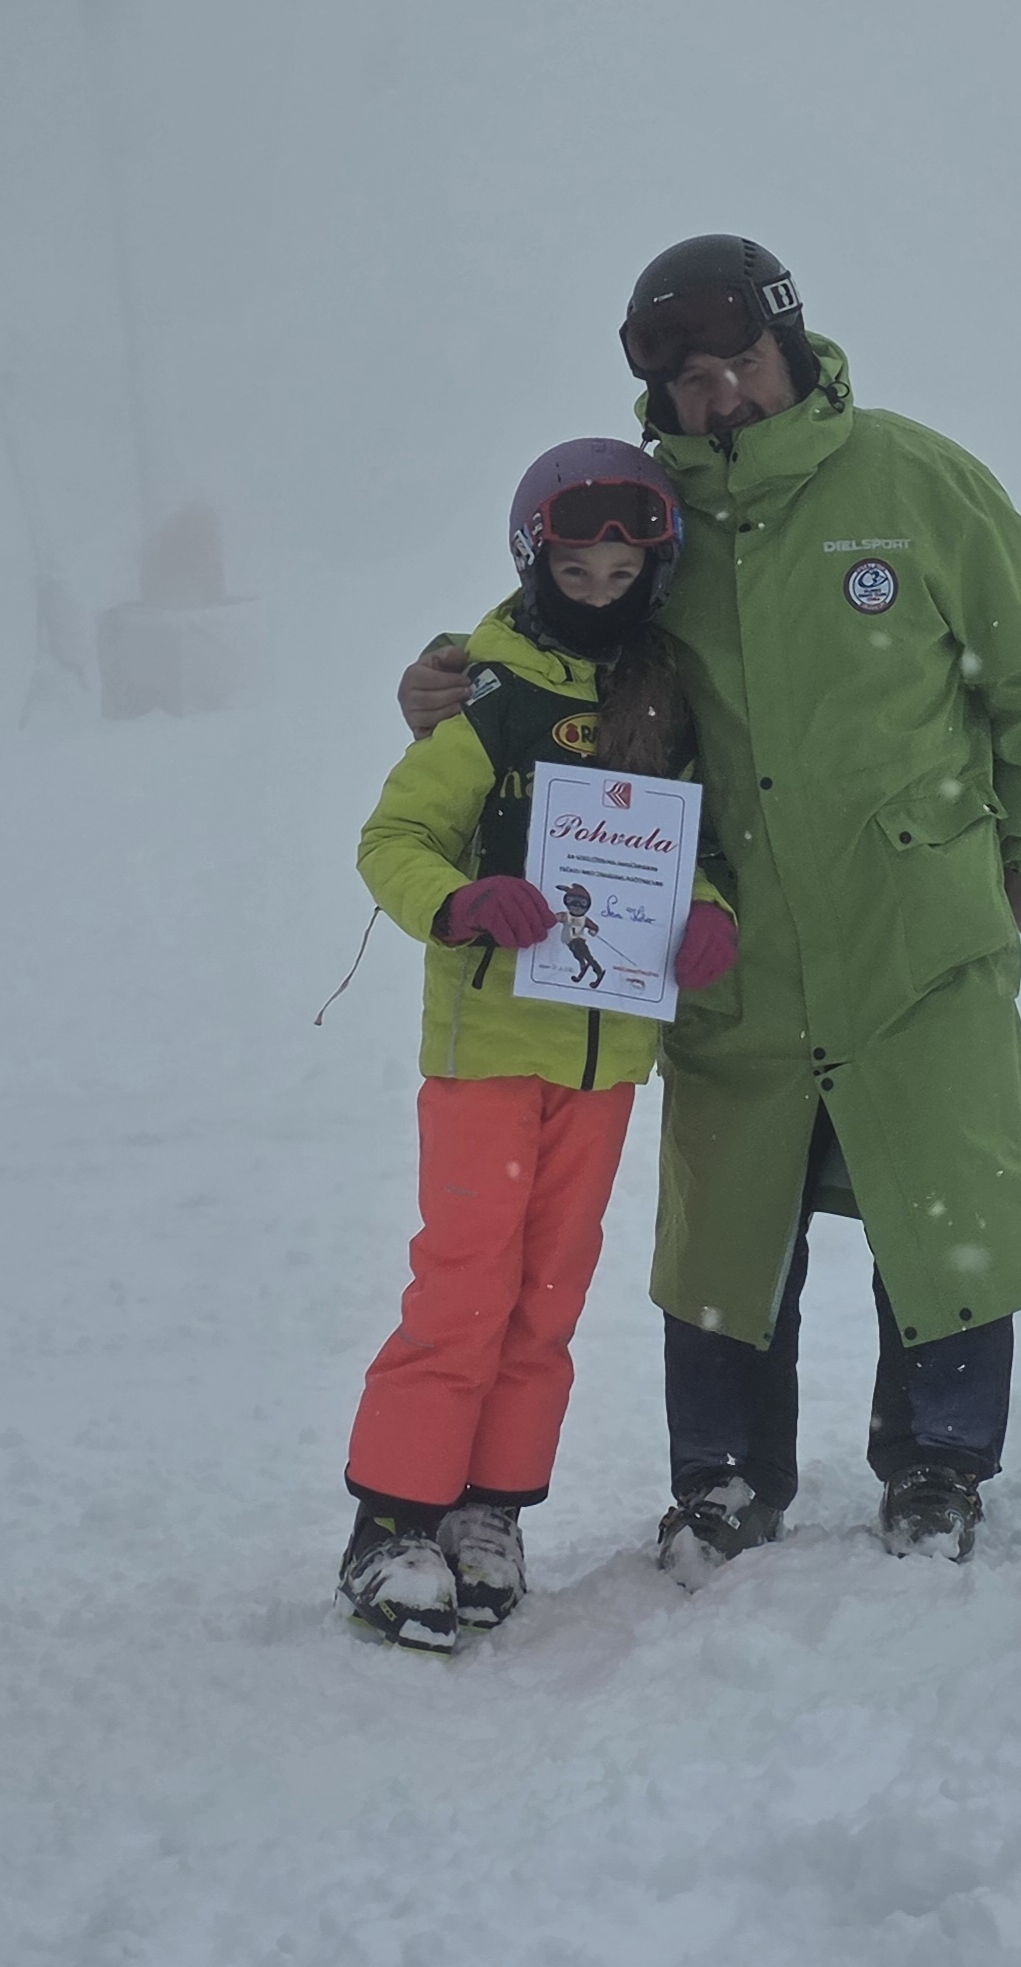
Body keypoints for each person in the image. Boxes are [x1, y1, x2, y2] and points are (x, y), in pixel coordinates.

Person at [398, 237, 1021, 1575]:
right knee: (729, 1220)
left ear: (792, 345)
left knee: (940, 1192)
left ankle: (938, 1464)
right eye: (693, 381)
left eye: (741, 365)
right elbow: (552, 622)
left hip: (912, 918)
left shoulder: (916, 480)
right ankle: (721, 1480)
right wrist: (443, 682)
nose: (721, 398)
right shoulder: (655, 511)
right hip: (721, 932)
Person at [339, 437, 738, 1651]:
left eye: (624, 573)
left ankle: (488, 1509)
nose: (599, 591)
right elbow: (393, 840)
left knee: (547, 1294)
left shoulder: (664, 701)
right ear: (535, 562)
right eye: (576, 569)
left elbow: (681, 853)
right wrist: (462, 899)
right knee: (464, 1282)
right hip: (490, 1048)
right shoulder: (491, 695)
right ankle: (392, 1519)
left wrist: (704, 916)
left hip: (605, 1062)